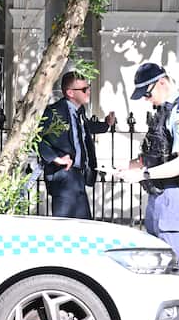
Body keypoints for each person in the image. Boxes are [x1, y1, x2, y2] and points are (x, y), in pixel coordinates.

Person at [115, 63, 179, 280]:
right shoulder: (165, 112)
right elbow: (157, 154)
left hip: (174, 195)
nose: (146, 99)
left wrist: (143, 174)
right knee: (159, 260)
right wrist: (130, 165)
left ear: (162, 83)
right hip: (160, 194)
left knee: (176, 260)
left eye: (147, 93)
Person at [35, 71, 117, 219]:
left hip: (79, 175)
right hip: (63, 174)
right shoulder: (54, 112)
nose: (88, 91)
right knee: (66, 225)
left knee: (84, 224)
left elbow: (85, 128)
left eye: (89, 87)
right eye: (84, 89)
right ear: (70, 93)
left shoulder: (79, 112)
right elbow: (36, 138)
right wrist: (56, 158)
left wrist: (105, 125)